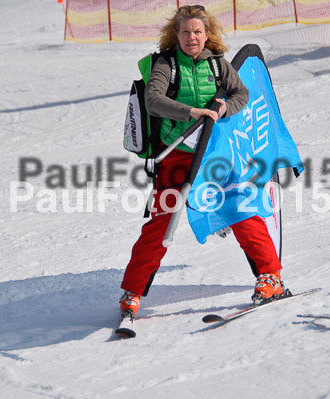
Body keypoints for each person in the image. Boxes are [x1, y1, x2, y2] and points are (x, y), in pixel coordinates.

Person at [119, 5, 283, 318]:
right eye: (185, 32)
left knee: (240, 210)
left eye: (197, 32)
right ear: (176, 34)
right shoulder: (166, 64)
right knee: (160, 225)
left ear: (207, 35)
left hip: (214, 157)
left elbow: (241, 94)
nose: (191, 37)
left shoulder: (219, 65)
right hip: (175, 157)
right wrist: (191, 113)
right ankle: (132, 293)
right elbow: (153, 101)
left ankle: (271, 276)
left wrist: (224, 109)